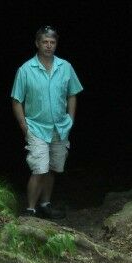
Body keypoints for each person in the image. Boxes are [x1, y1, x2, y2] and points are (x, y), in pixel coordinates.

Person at [11, 25, 83, 219]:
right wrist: (24, 126)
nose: (49, 46)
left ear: (56, 44)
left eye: (52, 42)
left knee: (52, 168)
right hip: (36, 127)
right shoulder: (26, 69)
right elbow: (17, 100)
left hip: (60, 127)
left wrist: (71, 119)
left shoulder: (65, 67)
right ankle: (30, 209)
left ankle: (45, 204)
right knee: (39, 168)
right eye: (45, 42)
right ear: (37, 43)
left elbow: (72, 94)